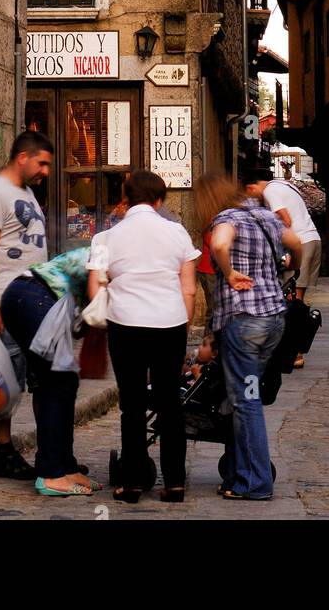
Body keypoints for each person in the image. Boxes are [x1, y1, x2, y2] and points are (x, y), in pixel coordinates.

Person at [88, 170, 199, 504]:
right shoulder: (177, 232)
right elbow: (189, 288)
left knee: (132, 406)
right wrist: (184, 325)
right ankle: (175, 483)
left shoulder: (106, 239)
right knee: (169, 404)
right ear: (159, 200)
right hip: (169, 324)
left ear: (126, 198)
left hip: (126, 325)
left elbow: (95, 286)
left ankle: (133, 483)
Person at [193, 172, 302, 502]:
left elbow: (221, 243)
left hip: (244, 321)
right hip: (273, 320)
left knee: (245, 401)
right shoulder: (265, 215)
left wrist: (228, 271)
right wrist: (290, 267)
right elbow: (296, 243)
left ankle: (255, 481)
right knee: (241, 396)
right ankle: (239, 471)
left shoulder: (225, 218)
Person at [0, 129, 53, 481]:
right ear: (23, 157)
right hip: (5, 299)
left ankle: (53, 455)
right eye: (43, 163)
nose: (46, 171)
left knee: (43, 377)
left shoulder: (28, 193)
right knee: (5, 377)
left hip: (34, 300)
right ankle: (5, 453)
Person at [1, 245, 100, 497]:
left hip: (31, 297)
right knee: (56, 383)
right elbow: (98, 304)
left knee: (64, 383)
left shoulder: (117, 247)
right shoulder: (113, 249)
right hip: (34, 296)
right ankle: (51, 474)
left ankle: (65, 467)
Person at [244, 167, 320, 368]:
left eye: (249, 193)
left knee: (292, 300)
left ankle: (294, 352)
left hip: (300, 243)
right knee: (297, 299)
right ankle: (294, 350)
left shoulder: (270, 191)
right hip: (312, 239)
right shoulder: (286, 186)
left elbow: (285, 220)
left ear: (251, 187)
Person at [197, 224, 216, 328]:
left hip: (209, 268)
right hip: (209, 269)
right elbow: (214, 244)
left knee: (213, 305)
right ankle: (209, 337)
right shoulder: (210, 227)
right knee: (213, 306)